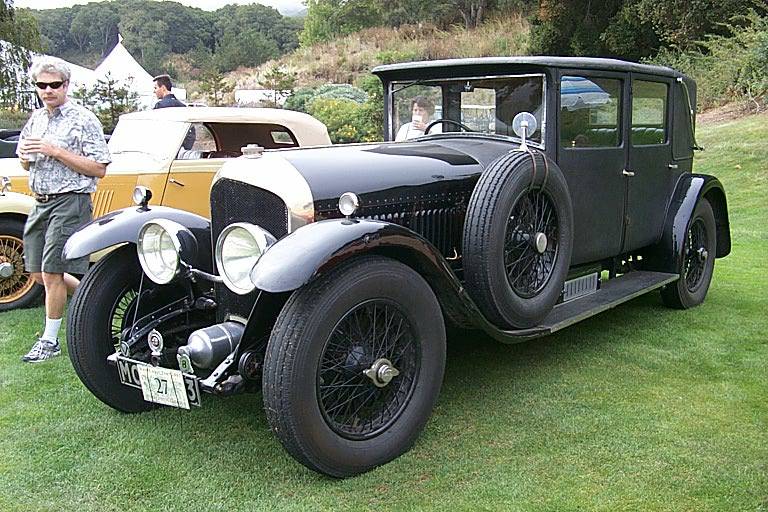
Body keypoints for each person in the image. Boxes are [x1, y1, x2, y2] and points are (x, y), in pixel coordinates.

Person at [16, 56, 111, 363]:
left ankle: (49, 341)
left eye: (54, 85)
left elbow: (99, 168)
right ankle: (93, 297)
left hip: (70, 201)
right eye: (41, 85)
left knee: (53, 271)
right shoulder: (36, 118)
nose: (48, 90)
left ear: (66, 85)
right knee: (37, 274)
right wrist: (28, 156)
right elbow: (24, 159)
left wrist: (55, 150)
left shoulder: (83, 119)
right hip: (40, 201)